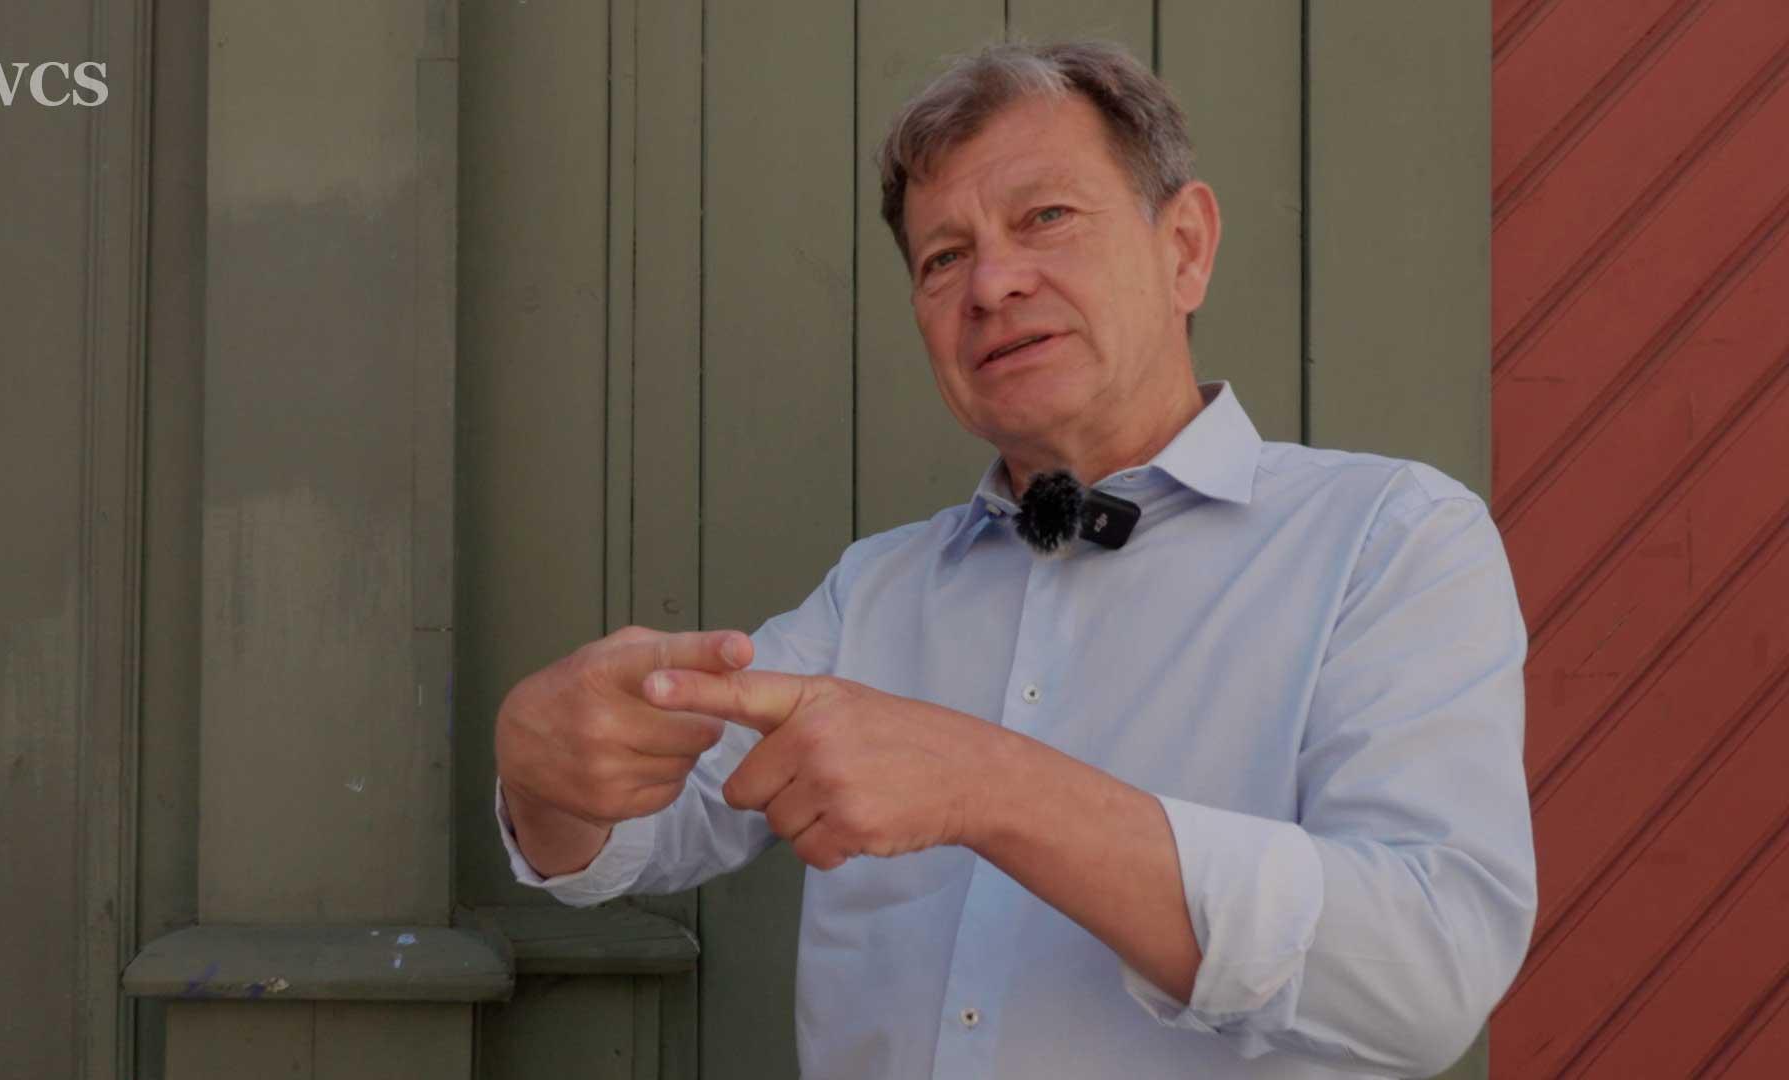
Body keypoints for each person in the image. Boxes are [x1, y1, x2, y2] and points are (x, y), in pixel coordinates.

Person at [492, 40, 1535, 1080]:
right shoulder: (872, 596)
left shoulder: (1388, 541)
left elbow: (1427, 974)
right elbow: (635, 833)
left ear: (1184, 247)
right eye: (944, 259)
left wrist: (988, 785)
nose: (992, 283)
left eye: (1046, 218)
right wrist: (547, 769)